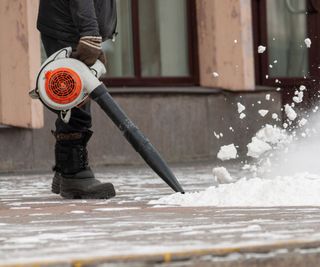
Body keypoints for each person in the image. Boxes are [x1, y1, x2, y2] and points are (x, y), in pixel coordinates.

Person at [37, 0, 117, 199]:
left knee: (74, 98)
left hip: (73, 25)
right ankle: (74, 174)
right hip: (69, 26)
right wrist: (89, 32)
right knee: (73, 99)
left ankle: (65, 168)